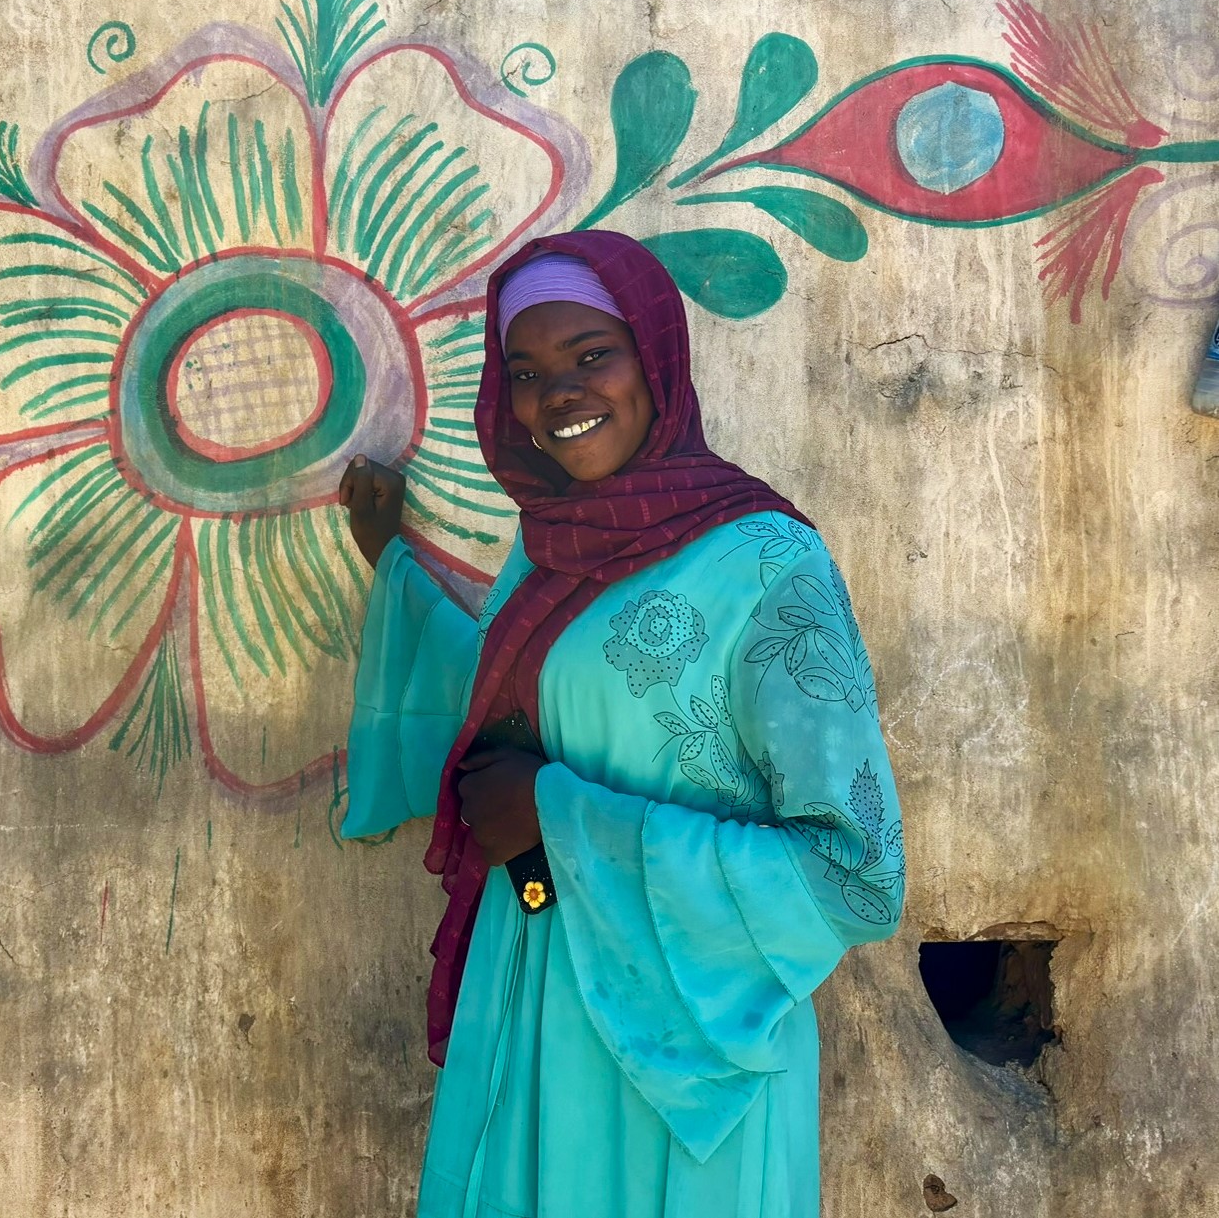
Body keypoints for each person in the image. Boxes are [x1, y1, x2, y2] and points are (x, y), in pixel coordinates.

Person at [335, 230, 903, 1218]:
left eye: (591, 353)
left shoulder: (767, 563)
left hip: (693, 1053)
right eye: (525, 370)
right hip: (541, 993)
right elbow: (518, 697)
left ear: (654, 359)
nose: (558, 392)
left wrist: (556, 815)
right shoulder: (548, 551)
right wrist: (393, 561)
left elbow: (856, 877)